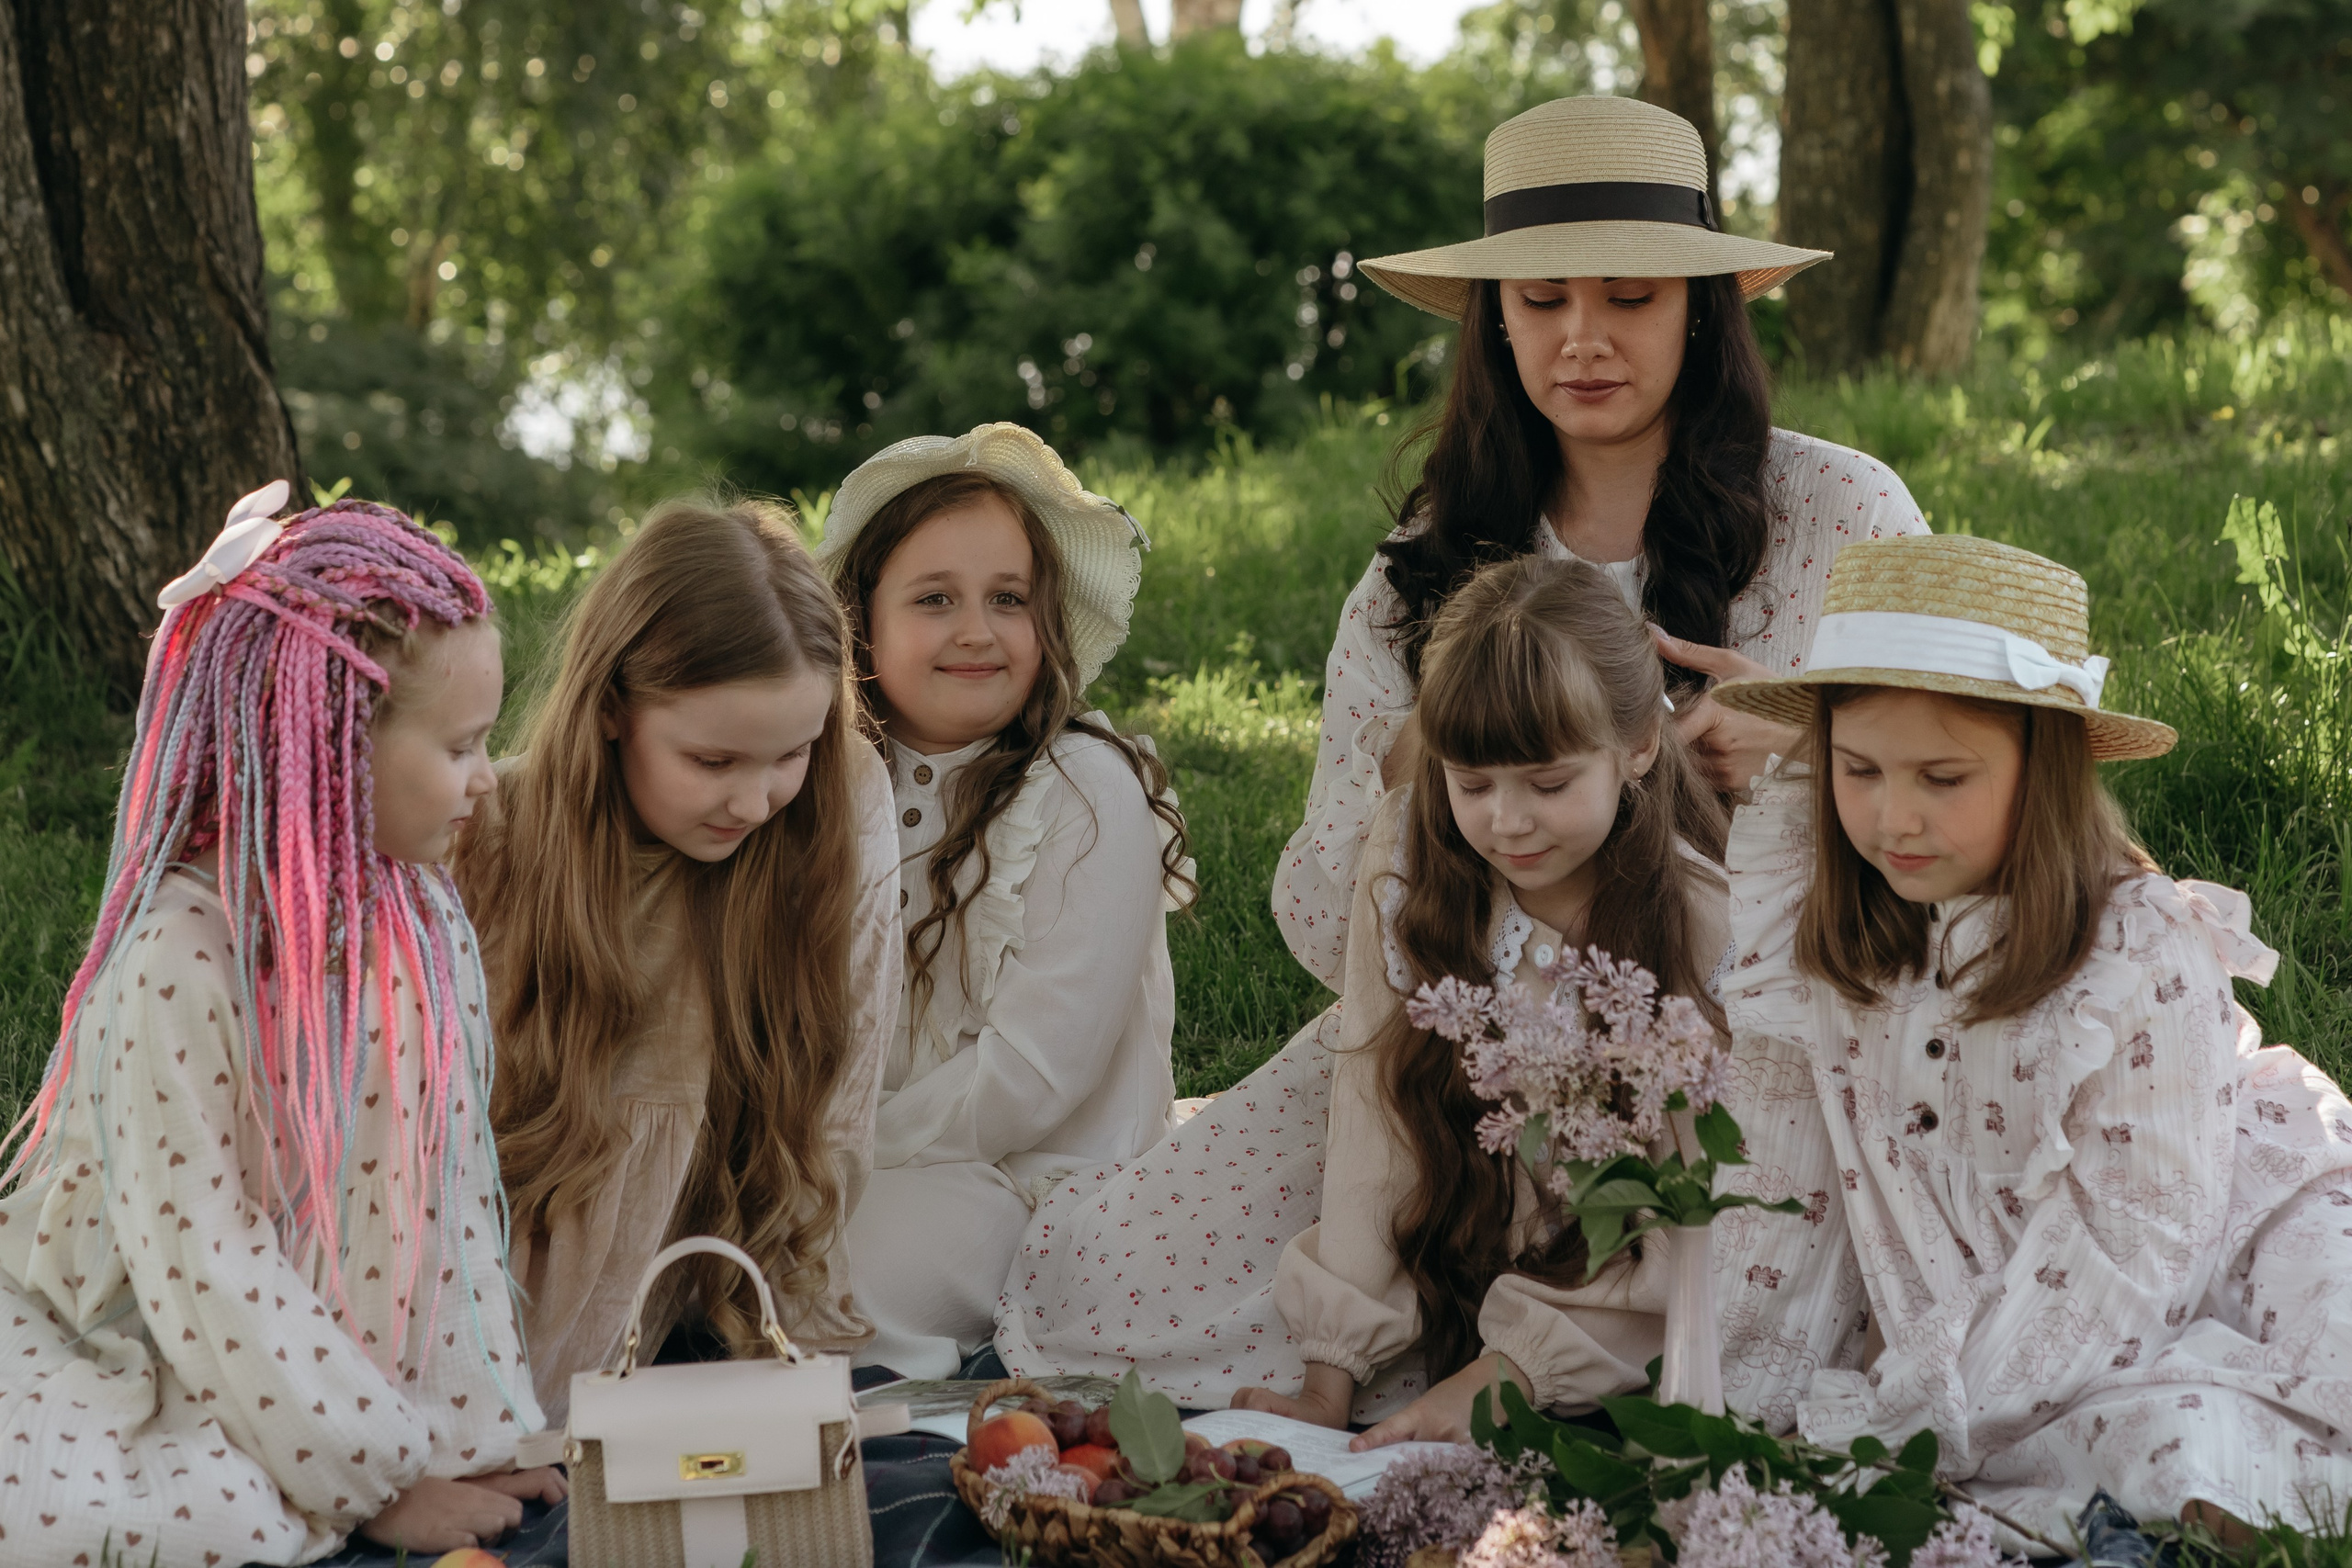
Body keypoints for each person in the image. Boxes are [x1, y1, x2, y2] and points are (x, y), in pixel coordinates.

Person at [998, 90, 1920, 1406]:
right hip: (1458, 1052)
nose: (1582, 339)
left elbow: (1953, 830)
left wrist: (1799, 772)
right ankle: (1440, 1333)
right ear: (1494, 319)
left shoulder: (1843, 512)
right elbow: (1327, 917)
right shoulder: (1420, 568)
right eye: (1540, 301)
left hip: (1747, 1041)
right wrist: (1433, 796)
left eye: (1630, 298)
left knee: (1771, 1290)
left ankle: (1568, 1340)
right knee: (1100, 1277)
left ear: (1706, 309)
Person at [1703, 533, 2352, 1541]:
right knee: (1901, 1455)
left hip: (2203, 1232)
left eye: (1941, 778)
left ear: (2039, 767)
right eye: (1859, 770)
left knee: (2261, 1407)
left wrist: (1940, 1416)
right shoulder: (1815, 933)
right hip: (1969, 1294)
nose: (1892, 817)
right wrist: (1733, 1415)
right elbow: (1783, 1188)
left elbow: (2145, 1240)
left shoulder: (2136, 951)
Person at [0, 488, 563, 1564]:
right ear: (332, 745)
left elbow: (444, 1200)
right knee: (190, 1516)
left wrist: (464, 1437)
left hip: (298, 1347)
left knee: (266, 1502)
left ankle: (342, 1440)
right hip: (140, 1332)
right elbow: (201, 1259)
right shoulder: (177, 959)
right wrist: (379, 1483)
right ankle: (327, 1450)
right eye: (461, 747)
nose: (487, 780)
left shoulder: (418, 913)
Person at [1224, 556, 1729, 1438]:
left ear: (1640, 745)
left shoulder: (1699, 925)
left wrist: (1513, 1371)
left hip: (1616, 1283)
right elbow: (1373, 1110)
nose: (1507, 821)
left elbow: (1691, 1216)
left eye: (1548, 782)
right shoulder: (1413, 858)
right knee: (1131, 1289)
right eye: (1473, 782)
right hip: (1450, 1232)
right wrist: (1329, 1370)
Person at [454, 499, 901, 1422]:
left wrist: (799, 1345)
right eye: (711, 759)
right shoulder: (494, 838)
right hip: (506, 1313)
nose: (754, 800)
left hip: (713, 1271)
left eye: (791, 753)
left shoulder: (832, 798)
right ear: (613, 705)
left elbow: (838, 1101)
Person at [820, 424, 1193, 1380]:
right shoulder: (821, 786)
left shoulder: (1081, 790)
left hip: (1025, 1180)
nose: (977, 631)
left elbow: (1034, 1074)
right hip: (843, 1153)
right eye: (935, 599)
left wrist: (843, 1153)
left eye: (1008, 600)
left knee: (824, 1282)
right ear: (862, 620)